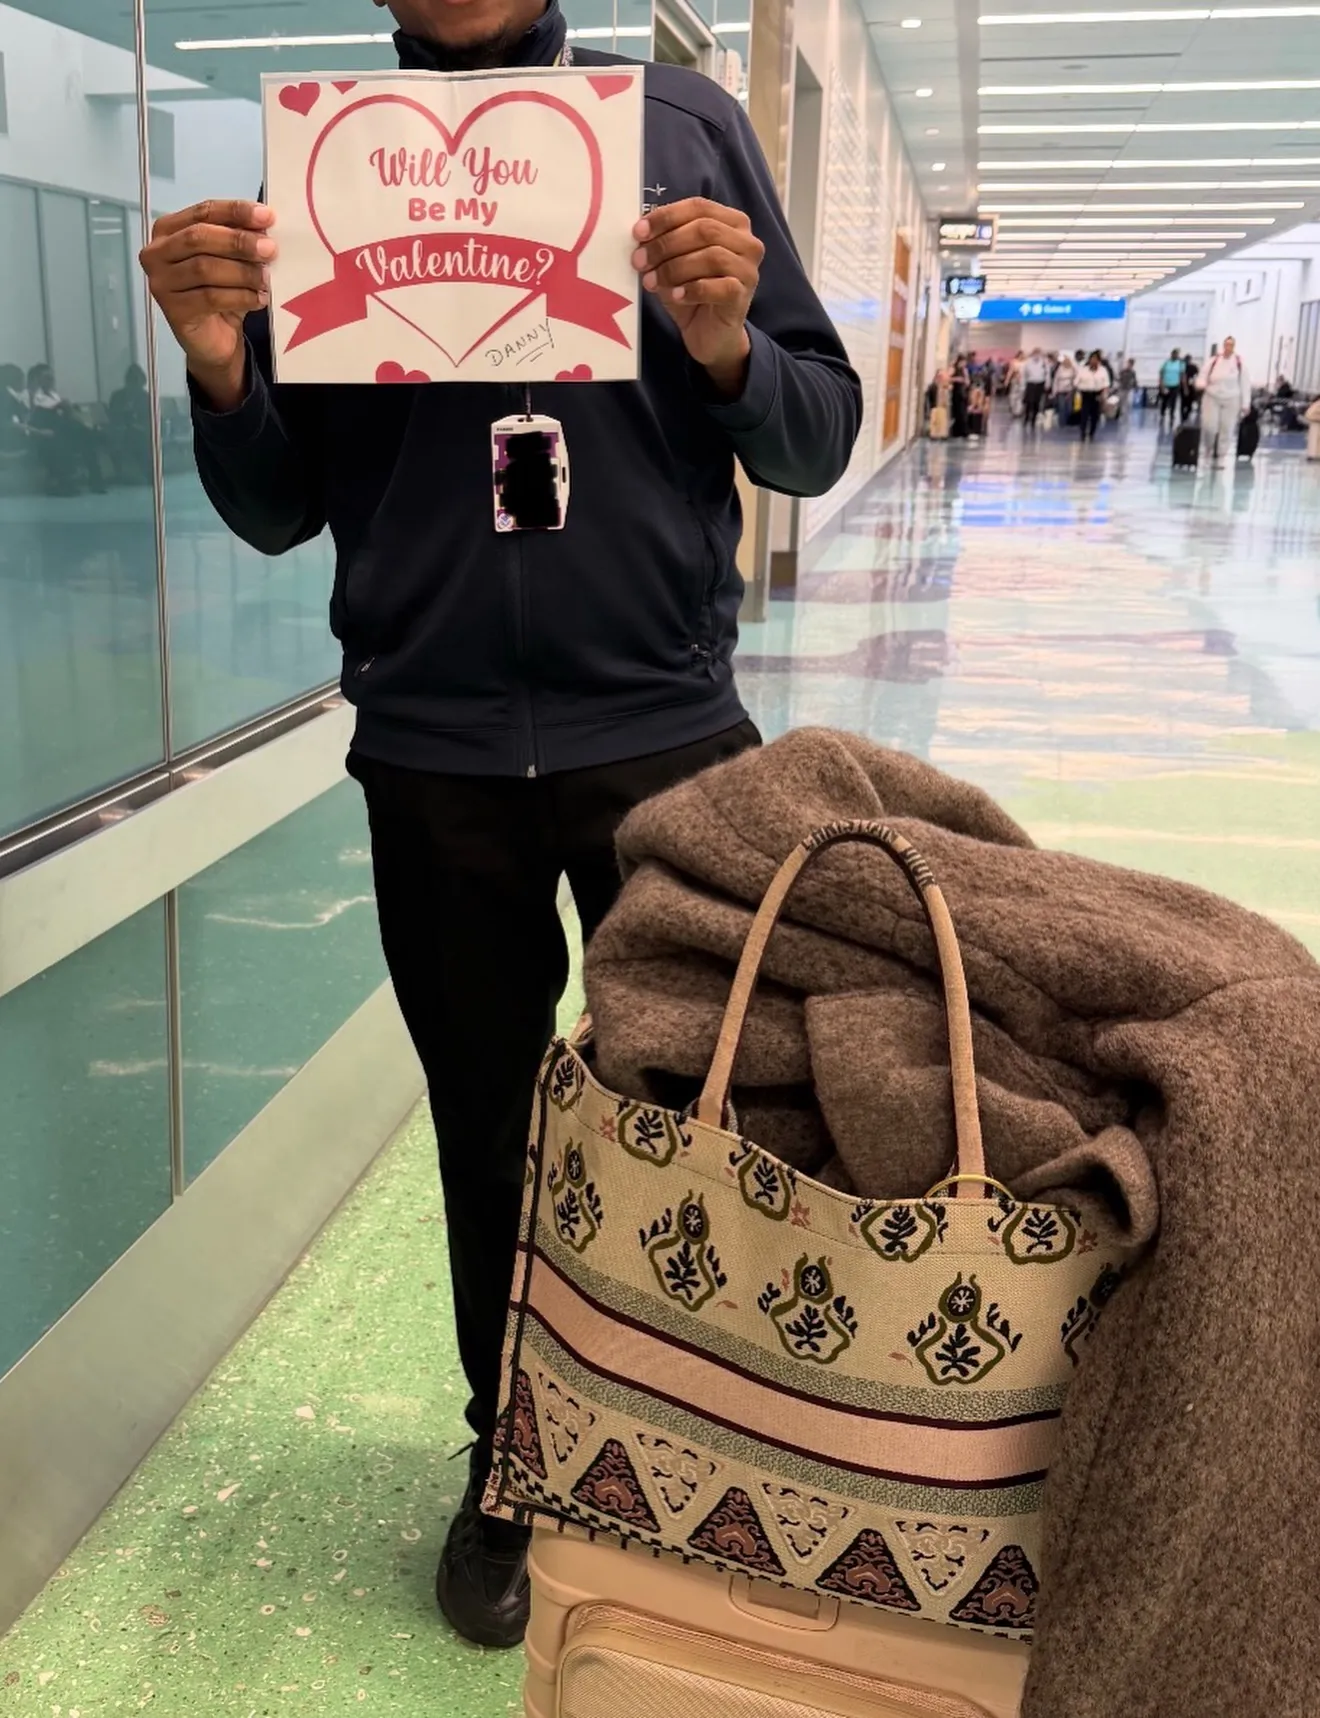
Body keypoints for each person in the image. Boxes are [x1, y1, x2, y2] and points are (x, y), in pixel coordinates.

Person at [138, 0, 861, 1655]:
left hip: (665, 735)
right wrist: (221, 366)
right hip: (437, 758)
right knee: (489, 1128)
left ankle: (721, 1450)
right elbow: (278, 504)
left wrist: (729, 345)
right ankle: (516, 1456)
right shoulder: (335, 166)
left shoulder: (679, 126)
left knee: (717, 1112)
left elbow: (815, 432)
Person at [1196, 334, 1251, 468]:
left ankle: (1221, 456)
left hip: (1232, 399)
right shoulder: (1213, 361)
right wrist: (1201, 384)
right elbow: (1202, 375)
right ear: (1223, 345)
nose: (1228, 347)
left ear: (1234, 346)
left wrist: (1245, 404)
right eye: (1226, 344)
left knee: (1227, 428)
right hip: (1212, 396)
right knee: (1209, 426)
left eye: (1231, 345)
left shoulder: (1239, 363)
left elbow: (1245, 384)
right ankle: (1208, 451)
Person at [108, 362, 152, 481]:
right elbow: (113, 415)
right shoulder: (117, 396)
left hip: (140, 428)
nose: (136, 386)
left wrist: (140, 424)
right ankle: (145, 471)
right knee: (136, 438)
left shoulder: (145, 397)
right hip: (120, 428)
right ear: (128, 382)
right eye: (133, 382)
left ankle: (147, 471)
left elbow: (149, 416)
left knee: (142, 438)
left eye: (139, 383)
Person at [1075, 350, 1110, 442]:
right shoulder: (1083, 370)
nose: (1093, 361)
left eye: (1095, 359)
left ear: (1098, 361)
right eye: (1092, 359)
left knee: (1094, 415)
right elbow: (1076, 382)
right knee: (1084, 414)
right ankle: (1083, 432)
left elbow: (1106, 383)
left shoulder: (1103, 370)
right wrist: (1079, 388)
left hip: (1097, 394)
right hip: (1086, 393)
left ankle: (1092, 432)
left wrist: (1104, 395)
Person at [1020, 347, 1049, 429]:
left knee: (1037, 402)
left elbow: (1047, 374)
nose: (1037, 355)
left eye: (1038, 353)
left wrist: (1047, 383)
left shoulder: (1044, 362)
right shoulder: (1028, 362)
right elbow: (1024, 374)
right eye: (1035, 353)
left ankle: (1033, 419)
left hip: (1040, 383)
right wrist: (1023, 386)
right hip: (1030, 383)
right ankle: (1026, 418)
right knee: (1029, 402)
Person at [1052, 347, 1077, 425]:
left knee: (1069, 408)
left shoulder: (1073, 369)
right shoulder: (1060, 369)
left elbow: (1076, 378)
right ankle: (1062, 422)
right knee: (1062, 407)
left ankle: (1068, 421)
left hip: (1069, 390)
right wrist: (1054, 391)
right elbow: (1056, 380)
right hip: (1061, 390)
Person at [949, 354, 970, 438]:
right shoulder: (953, 368)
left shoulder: (964, 370)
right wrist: (957, 379)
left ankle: (963, 431)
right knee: (958, 413)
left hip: (963, 393)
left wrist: (966, 376)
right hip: (956, 393)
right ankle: (958, 432)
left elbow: (967, 382)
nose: (964, 364)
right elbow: (947, 378)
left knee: (963, 412)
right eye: (963, 362)